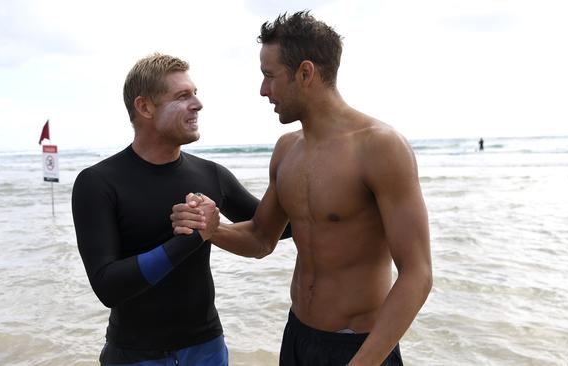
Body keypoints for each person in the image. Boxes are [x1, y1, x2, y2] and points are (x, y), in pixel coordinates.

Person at [171, 11, 432, 366]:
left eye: (269, 76)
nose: (263, 90)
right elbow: (263, 238)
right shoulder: (286, 150)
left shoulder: (380, 148)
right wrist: (212, 229)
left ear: (305, 73)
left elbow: (417, 274)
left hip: (359, 349)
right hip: (297, 338)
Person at [71, 53, 287, 366]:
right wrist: (192, 238)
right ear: (144, 107)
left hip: (207, 348)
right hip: (135, 355)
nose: (198, 104)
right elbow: (108, 286)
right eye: (183, 96)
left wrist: (301, 174)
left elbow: (278, 229)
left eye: (195, 94)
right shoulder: (99, 182)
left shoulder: (212, 175)